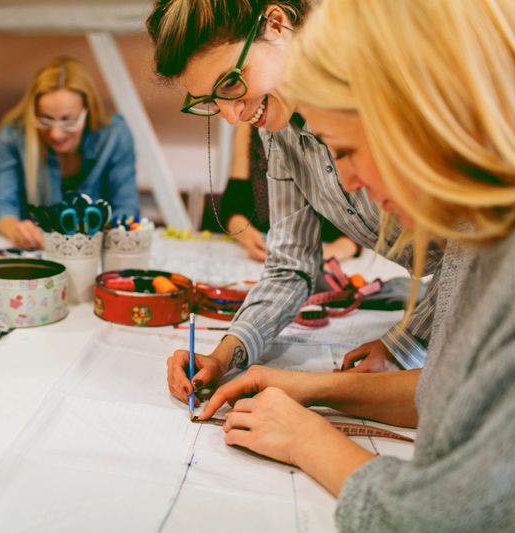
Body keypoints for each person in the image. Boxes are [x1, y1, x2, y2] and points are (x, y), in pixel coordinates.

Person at [199, 0, 515, 530]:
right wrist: (311, 388)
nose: (344, 187)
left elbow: (451, 516)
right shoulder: (482, 231)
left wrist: (309, 439)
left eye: (343, 149)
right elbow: (452, 395)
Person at [145, 0, 442, 390]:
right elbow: (290, 267)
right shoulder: (279, 130)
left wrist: (405, 342)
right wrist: (227, 353)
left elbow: (478, 243)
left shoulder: (390, 80)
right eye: (210, 102)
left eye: (231, 83)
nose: (232, 116)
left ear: (277, 24)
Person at [0, 57, 140, 249]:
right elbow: (2, 204)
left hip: (96, 252)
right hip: (40, 250)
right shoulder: (14, 134)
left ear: (88, 110)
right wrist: (15, 229)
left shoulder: (115, 135)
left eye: (68, 121)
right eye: (45, 120)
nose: (55, 134)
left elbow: (126, 207)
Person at [220, 121, 361, 262]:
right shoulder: (249, 125)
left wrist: (327, 254)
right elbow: (232, 205)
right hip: (266, 253)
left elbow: (363, 221)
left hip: (328, 253)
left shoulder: (333, 122)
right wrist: (249, 237)